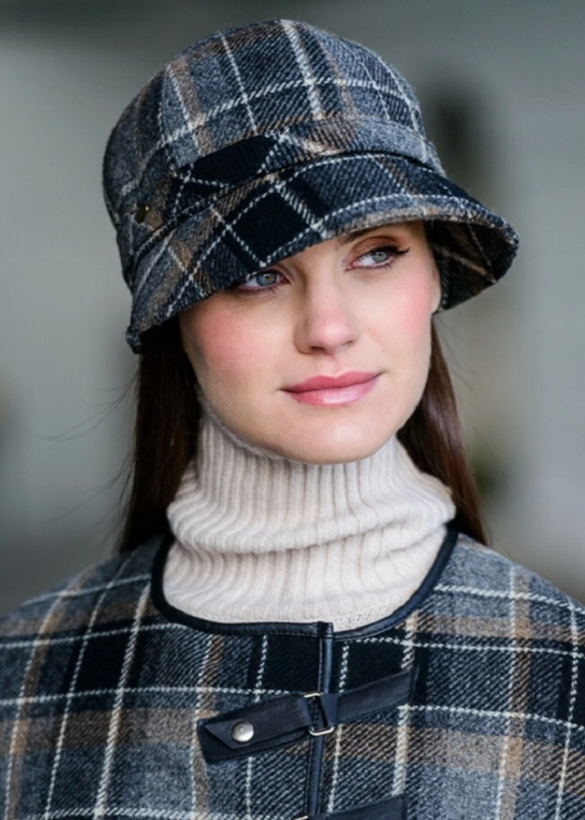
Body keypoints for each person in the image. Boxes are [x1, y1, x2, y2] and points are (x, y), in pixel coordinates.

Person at [1, 18, 584, 820]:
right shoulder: (25, 675)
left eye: (376, 252)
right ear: (177, 317)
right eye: (256, 273)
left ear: (431, 280)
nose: (329, 327)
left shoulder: (565, 670)